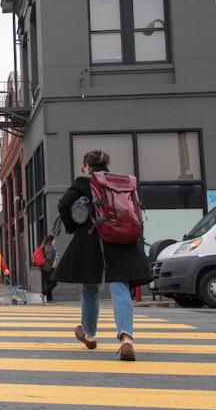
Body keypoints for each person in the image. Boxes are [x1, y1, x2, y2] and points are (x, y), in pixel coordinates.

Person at [53, 149, 151, 361]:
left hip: (93, 237)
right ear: (106, 165)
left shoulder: (84, 182)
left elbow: (63, 204)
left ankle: (89, 334)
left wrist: (73, 226)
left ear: (88, 166)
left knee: (90, 286)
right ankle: (126, 338)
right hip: (123, 238)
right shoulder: (122, 182)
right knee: (120, 285)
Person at [39, 235, 58, 304]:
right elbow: (49, 258)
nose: (55, 241)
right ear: (51, 240)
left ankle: (49, 299)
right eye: (54, 239)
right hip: (49, 268)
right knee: (54, 283)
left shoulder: (44, 246)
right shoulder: (50, 247)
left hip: (43, 268)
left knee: (48, 283)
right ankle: (42, 294)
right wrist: (52, 265)